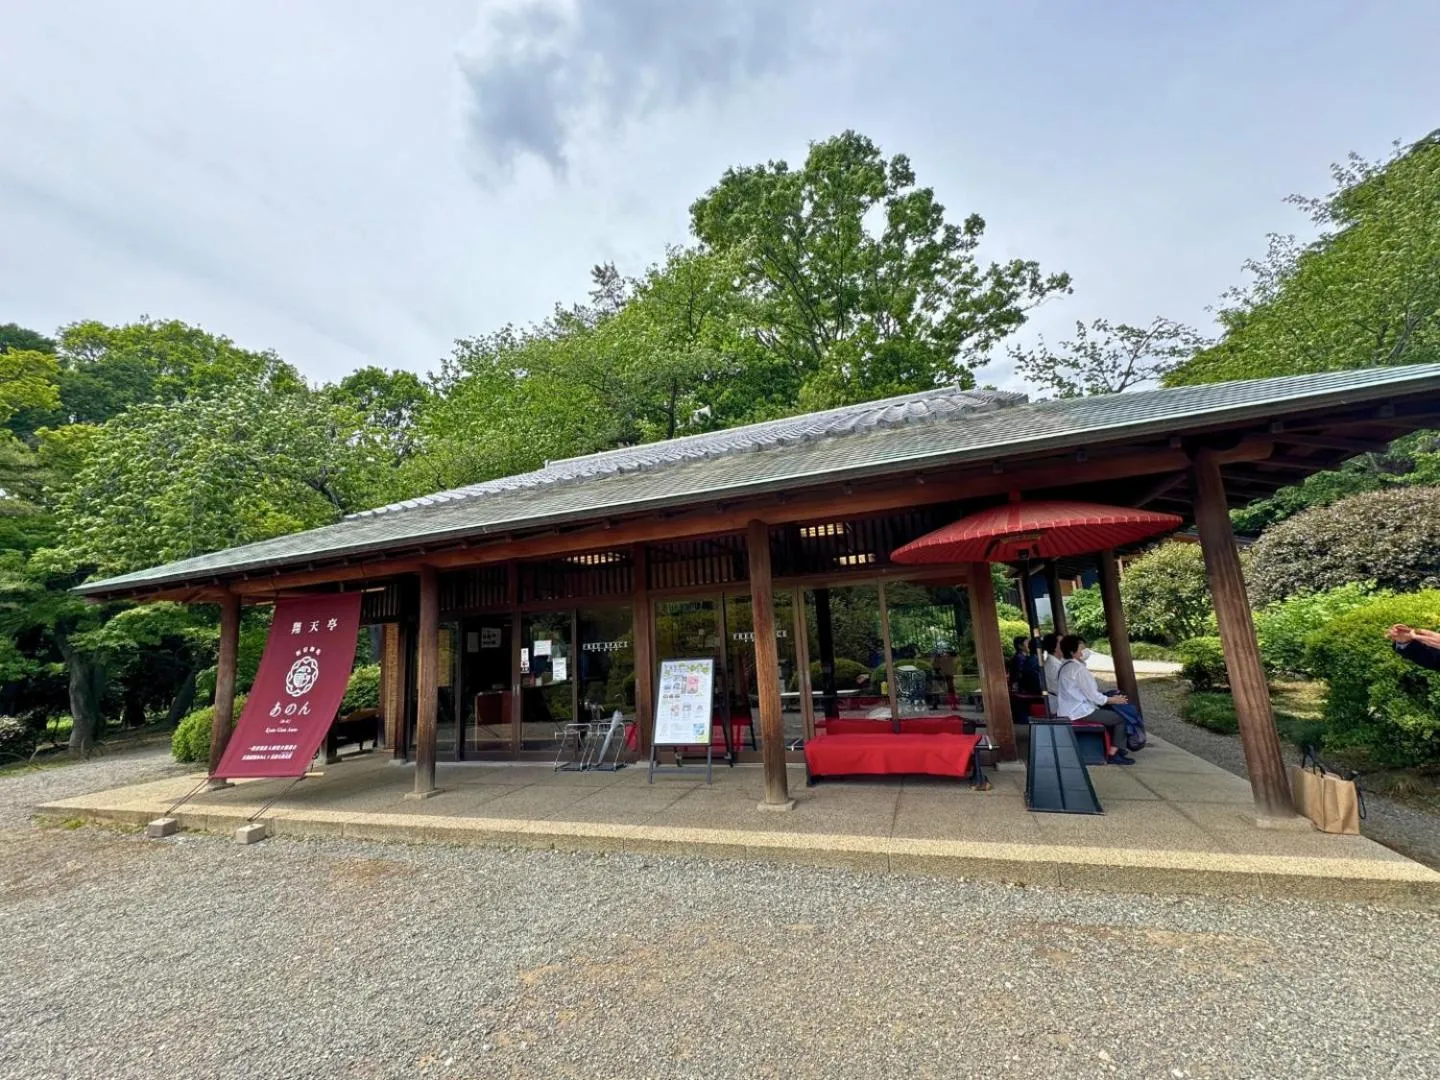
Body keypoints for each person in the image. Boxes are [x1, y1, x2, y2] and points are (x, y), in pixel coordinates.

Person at [1053, 634, 1136, 765]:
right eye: (1081, 649)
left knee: (1110, 715)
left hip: (1068, 710)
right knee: (1120, 719)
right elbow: (1094, 696)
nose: (1084, 652)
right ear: (1072, 652)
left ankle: (1113, 745)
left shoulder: (1065, 666)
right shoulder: (1079, 669)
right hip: (1080, 712)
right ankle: (1114, 753)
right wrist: (1113, 700)